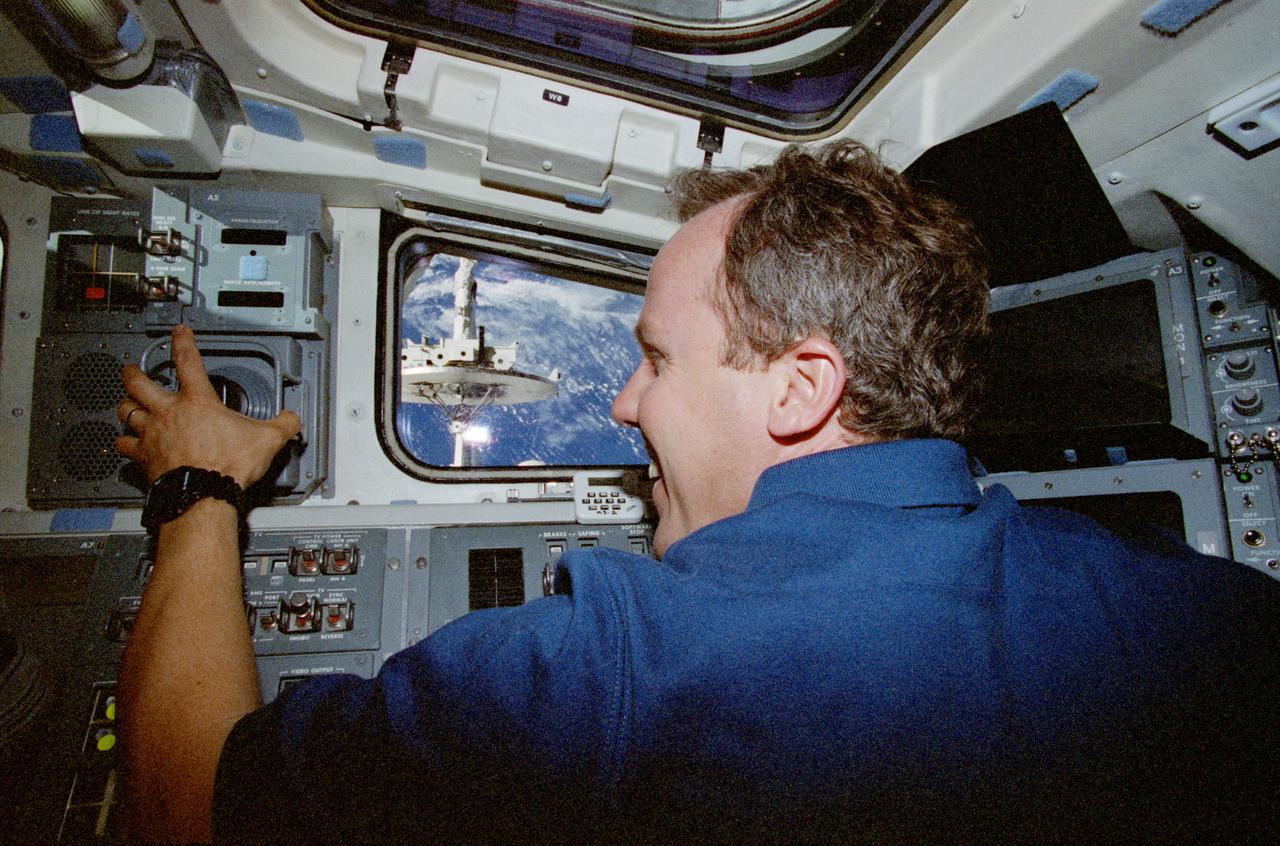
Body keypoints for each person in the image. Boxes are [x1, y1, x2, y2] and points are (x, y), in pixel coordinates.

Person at [115, 141, 1279, 843]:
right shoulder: (1207, 622)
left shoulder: (602, 675)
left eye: (657, 359)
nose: (623, 405)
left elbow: (184, 805)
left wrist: (199, 483)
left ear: (799, 389)